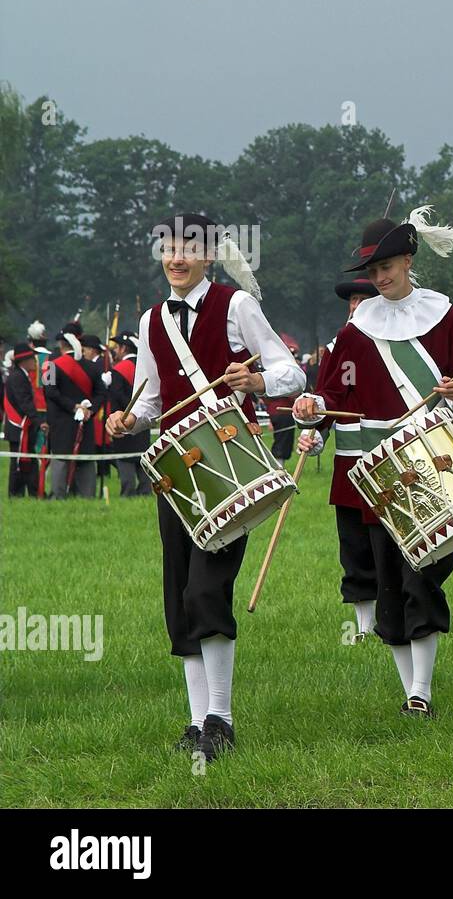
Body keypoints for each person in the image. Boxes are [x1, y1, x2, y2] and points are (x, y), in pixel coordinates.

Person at [106, 212, 305, 761]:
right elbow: (152, 399)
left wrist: (257, 379)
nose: (176, 258)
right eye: (168, 248)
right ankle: (196, 724)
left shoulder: (236, 306)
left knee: (206, 591)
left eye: (187, 249)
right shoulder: (150, 321)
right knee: (179, 599)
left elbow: (293, 373)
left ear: (210, 255)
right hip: (175, 476)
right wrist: (128, 419)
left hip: (231, 469)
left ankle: (222, 718)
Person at [295, 207, 453, 717]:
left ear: (407, 260)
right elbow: (333, 394)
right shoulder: (357, 331)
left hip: (433, 462)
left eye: (387, 267)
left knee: (424, 572)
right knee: (390, 581)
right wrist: (311, 411)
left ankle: (423, 684)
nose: (379, 277)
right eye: (372, 271)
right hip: (375, 472)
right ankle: (413, 694)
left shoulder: (448, 319)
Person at [296, 276, 382, 643]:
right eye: (353, 300)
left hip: (393, 454)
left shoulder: (398, 343)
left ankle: (402, 614)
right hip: (349, 460)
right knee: (355, 543)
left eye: (365, 299)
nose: (357, 306)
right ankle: (364, 627)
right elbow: (328, 398)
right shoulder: (335, 349)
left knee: (393, 542)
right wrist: (315, 430)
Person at [44, 327, 107, 498]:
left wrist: (73, 407)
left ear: (62, 346)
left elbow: (50, 392)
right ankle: (87, 495)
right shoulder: (92, 367)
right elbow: (102, 393)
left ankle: (58, 496)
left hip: (61, 422)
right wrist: (89, 410)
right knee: (86, 461)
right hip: (85, 421)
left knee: (61, 460)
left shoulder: (50, 365)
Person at [105, 333, 151, 496]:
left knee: (125, 463)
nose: (115, 351)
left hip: (124, 422)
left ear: (124, 348)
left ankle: (128, 492)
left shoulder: (118, 370)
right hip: (143, 422)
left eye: (117, 348)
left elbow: (116, 396)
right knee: (142, 459)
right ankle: (145, 491)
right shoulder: (143, 366)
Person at [4, 344, 43, 497]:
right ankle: (17, 493)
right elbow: (25, 402)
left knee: (26, 461)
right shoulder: (18, 377)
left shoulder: (20, 375)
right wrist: (39, 421)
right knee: (19, 463)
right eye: (32, 358)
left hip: (23, 426)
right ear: (23, 361)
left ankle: (31, 492)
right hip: (19, 426)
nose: (35, 361)